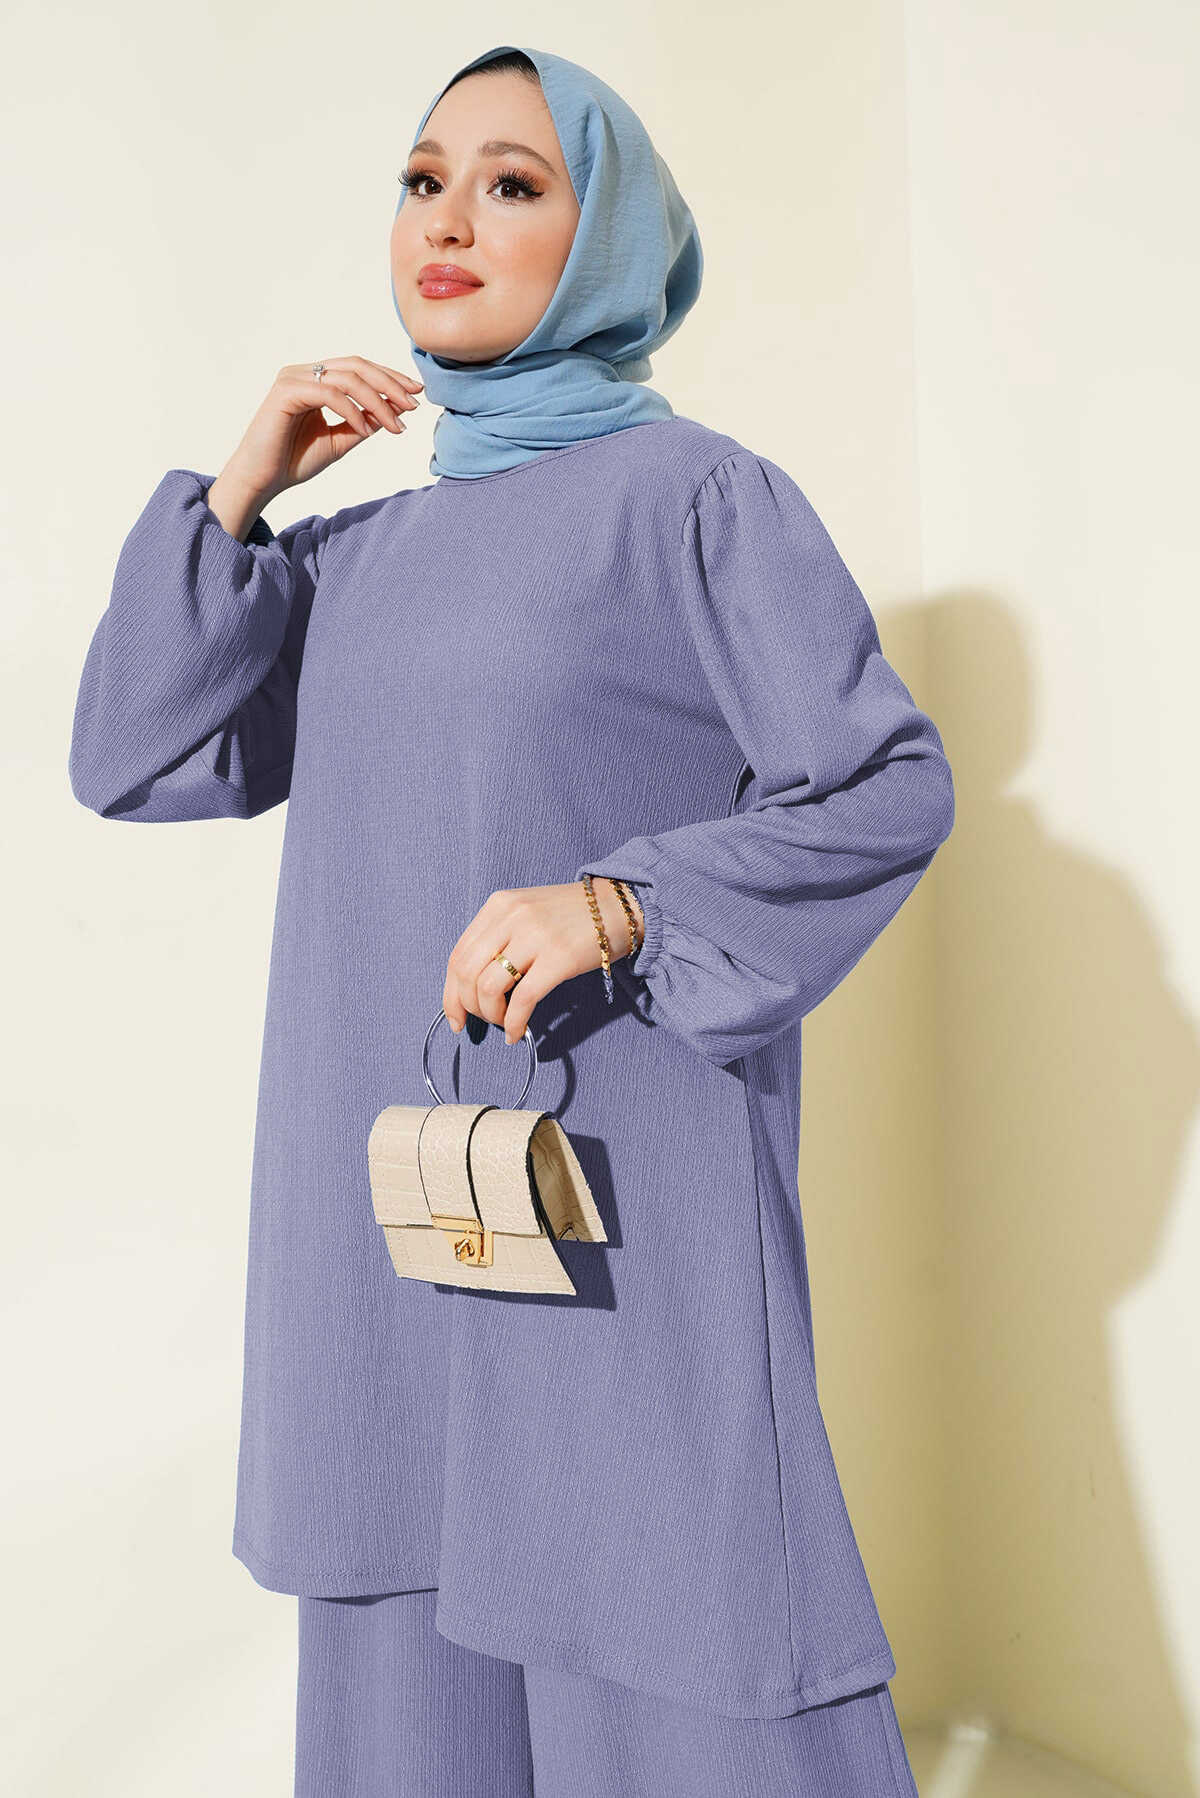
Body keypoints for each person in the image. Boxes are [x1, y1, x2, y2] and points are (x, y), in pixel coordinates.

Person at [68, 41, 953, 1798]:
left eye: (512, 183)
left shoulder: (700, 501)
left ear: (603, 238)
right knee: (412, 1677)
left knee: (675, 1621)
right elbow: (133, 754)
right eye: (422, 181)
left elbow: (881, 784)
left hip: (612, 1204)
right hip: (397, 1223)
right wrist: (241, 491)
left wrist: (625, 901)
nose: (448, 221)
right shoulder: (351, 560)